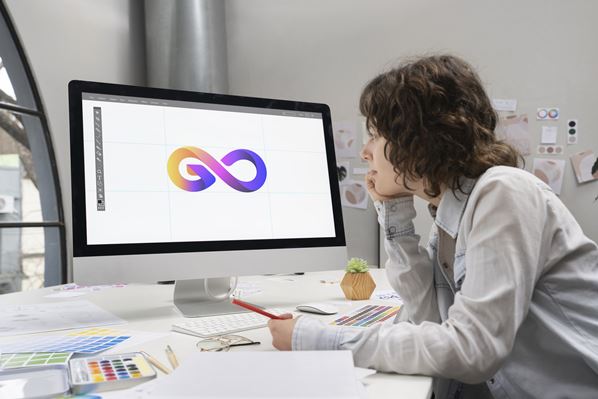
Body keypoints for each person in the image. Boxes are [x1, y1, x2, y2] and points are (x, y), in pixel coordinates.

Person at [268, 55, 598, 399]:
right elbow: (428, 320)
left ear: (417, 139)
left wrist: (319, 339)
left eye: (376, 135)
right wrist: (393, 210)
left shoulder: (504, 192)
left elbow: (472, 351)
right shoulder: (450, 216)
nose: (365, 152)